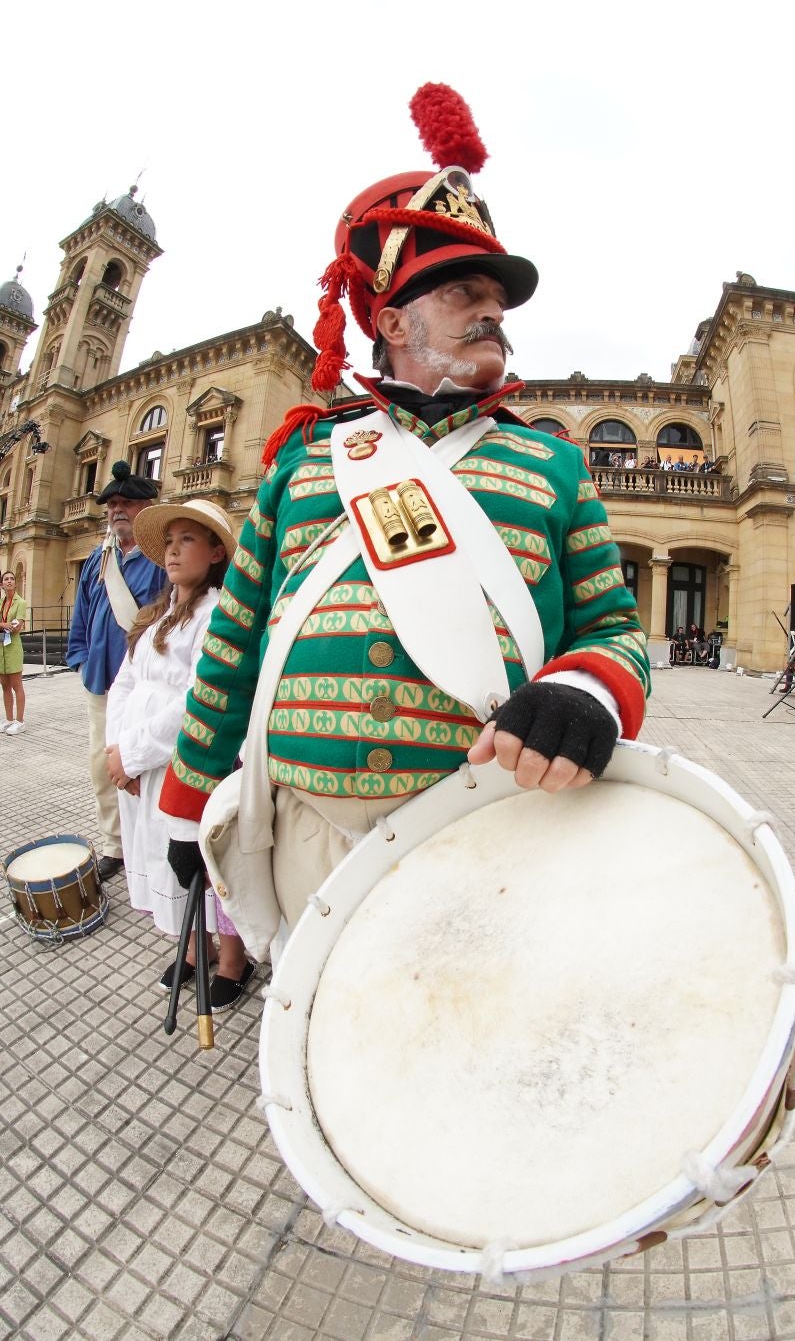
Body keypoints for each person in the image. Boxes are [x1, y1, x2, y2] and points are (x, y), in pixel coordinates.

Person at [158, 83, 651, 943]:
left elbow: (614, 626)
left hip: (481, 827)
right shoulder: (305, 461)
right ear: (391, 320)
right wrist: (189, 801)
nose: (492, 309)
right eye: (462, 292)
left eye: (494, 297)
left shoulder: (556, 466)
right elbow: (233, 649)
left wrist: (582, 692)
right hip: (304, 836)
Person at [105, 499, 253, 1009]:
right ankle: (194, 949)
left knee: (210, 858)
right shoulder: (156, 616)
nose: (172, 550)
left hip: (189, 761)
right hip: (143, 766)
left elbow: (201, 699)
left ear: (215, 553)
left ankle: (233, 960)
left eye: (186, 539)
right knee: (166, 857)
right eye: (168, 541)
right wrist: (116, 749)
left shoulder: (218, 616)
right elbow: (124, 682)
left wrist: (135, 750)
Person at [67, 461, 167, 882]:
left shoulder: (163, 556)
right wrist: (82, 659)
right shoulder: (97, 560)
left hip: (148, 685)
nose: (115, 511)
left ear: (146, 507)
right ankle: (115, 845)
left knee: (144, 765)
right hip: (102, 684)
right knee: (102, 766)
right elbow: (82, 615)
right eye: (111, 505)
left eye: (125, 503)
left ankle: (154, 842)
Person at [0, 570, 27, 735]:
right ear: (2, 584)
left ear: (15, 583)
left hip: (13, 648)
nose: (9, 581)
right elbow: (8, 626)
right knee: (4, 685)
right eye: (6, 579)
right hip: (1, 649)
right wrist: (4, 625)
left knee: (17, 685)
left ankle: (20, 721)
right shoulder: (1, 601)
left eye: (11, 579)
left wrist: (5, 625)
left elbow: (16, 627)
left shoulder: (20, 602)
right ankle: (9, 719)